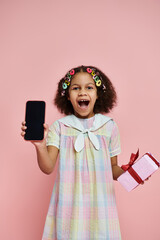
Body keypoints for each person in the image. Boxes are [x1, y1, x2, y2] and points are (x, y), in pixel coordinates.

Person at [21, 65, 125, 240]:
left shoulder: (109, 126)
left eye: (89, 87)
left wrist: (132, 173)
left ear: (98, 94)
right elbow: (47, 167)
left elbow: (113, 168)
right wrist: (40, 145)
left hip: (101, 206)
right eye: (76, 88)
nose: (82, 92)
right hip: (69, 207)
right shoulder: (60, 127)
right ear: (68, 96)